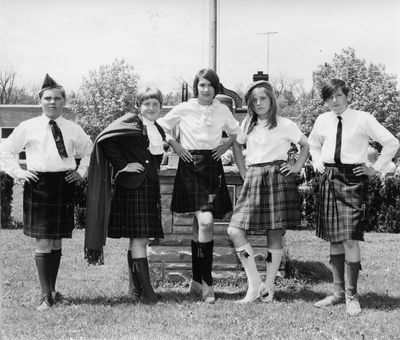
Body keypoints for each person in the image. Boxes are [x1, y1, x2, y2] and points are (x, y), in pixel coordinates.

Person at [0, 74, 93, 311]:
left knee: (56, 240)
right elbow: (6, 150)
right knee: (43, 240)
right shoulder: (27, 126)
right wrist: (18, 173)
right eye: (48, 98)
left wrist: (81, 172)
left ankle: (52, 291)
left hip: (63, 184)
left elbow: (91, 151)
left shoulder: (73, 128)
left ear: (64, 102)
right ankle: (44, 296)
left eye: (57, 98)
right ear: (40, 101)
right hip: (38, 185)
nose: (52, 102)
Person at [309, 79, 399, 316]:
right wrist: (317, 161)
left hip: (353, 178)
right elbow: (312, 144)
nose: (335, 101)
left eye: (339, 95)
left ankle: (351, 296)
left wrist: (375, 167)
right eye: (330, 98)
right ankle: (337, 294)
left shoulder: (363, 118)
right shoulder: (322, 120)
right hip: (329, 176)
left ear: (347, 95)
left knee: (349, 237)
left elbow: (392, 142)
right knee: (335, 238)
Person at [158, 68, 241, 303]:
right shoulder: (185, 107)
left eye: (210, 85)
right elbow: (162, 127)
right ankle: (207, 283)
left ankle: (197, 282)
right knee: (206, 223)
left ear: (216, 88)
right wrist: (176, 145)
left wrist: (225, 147)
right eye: (202, 85)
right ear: (196, 87)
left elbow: (236, 131)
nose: (206, 89)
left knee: (200, 227)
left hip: (212, 166)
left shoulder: (222, 109)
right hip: (190, 165)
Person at [227, 80, 309, 303]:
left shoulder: (285, 124)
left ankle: (269, 288)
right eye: (254, 100)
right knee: (235, 230)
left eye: (263, 98)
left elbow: (305, 145)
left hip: (277, 176)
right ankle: (254, 284)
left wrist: (297, 166)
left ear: (272, 100)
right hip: (254, 176)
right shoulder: (247, 124)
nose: (259, 103)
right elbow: (236, 144)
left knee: (274, 232)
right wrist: (243, 170)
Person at [84, 86, 166, 304]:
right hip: (132, 188)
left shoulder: (158, 129)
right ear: (138, 106)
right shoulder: (131, 123)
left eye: (155, 104)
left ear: (160, 106)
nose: (151, 107)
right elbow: (105, 140)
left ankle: (136, 290)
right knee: (139, 238)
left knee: (140, 238)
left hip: (149, 187)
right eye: (146, 104)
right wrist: (123, 165)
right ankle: (148, 294)